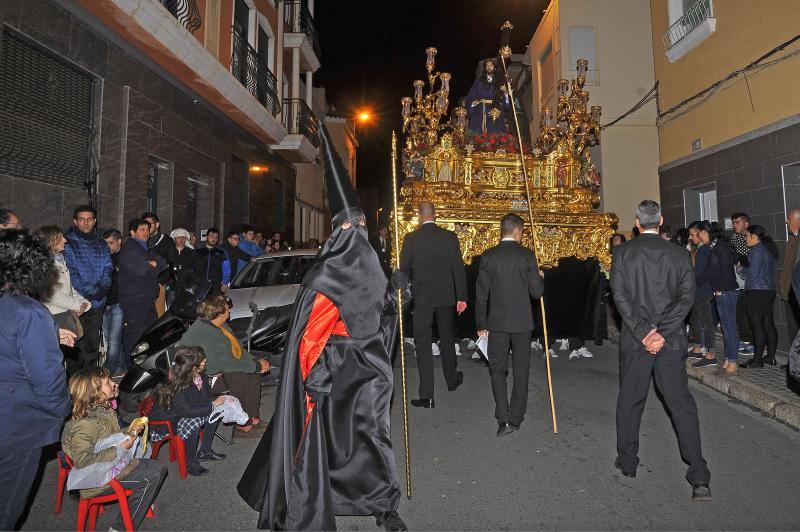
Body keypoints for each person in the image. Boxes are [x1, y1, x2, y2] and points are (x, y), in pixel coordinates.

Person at [238, 123, 407, 531]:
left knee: (371, 438)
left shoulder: (374, 265)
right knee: (324, 442)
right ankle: (313, 503)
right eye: (352, 227)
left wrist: (401, 294)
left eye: (362, 227)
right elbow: (309, 332)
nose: (359, 234)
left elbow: (381, 312)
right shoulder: (323, 275)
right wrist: (313, 377)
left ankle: (383, 503)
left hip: (371, 369)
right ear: (340, 231)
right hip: (332, 370)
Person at [611, 200, 711, 500]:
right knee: (680, 403)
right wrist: (663, 333)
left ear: (638, 223)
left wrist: (644, 333)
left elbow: (620, 296)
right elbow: (686, 297)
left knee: (630, 400)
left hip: (636, 340)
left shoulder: (624, 252)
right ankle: (699, 474)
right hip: (670, 341)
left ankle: (628, 461)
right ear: (661, 220)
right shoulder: (679, 253)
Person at [0, 229, 73, 530]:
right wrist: (62, 410)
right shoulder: (31, 312)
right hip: (17, 424)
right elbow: (48, 380)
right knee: (7, 509)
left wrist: (50, 335)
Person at [61, 367, 167, 530]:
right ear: (93, 392)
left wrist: (129, 431)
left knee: (158, 467)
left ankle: (139, 503)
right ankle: (119, 528)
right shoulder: (83, 425)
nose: (114, 383)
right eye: (107, 382)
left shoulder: (103, 408)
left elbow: (111, 436)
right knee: (151, 476)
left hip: (111, 465)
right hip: (96, 479)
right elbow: (83, 461)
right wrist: (121, 447)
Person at [476, 213, 544, 436]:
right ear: (517, 231)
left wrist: (481, 322)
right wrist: (540, 277)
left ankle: (503, 417)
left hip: (496, 322)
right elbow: (537, 292)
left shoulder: (488, 256)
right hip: (522, 322)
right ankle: (516, 417)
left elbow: (481, 294)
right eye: (522, 232)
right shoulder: (527, 256)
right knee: (521, 369)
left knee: (497, 369)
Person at [400, 200, 468, 408]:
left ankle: (427, 394)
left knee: (423, 343)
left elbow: (403, 270)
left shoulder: (411, 238)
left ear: (420, 216)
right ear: (435, 215)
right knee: (447, 338)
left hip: (422, 298)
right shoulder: (449, 237)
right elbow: (458, 267)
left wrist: (398, 293)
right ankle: (451, 379)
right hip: (446, 297)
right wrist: (462, 297)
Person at [178, 295, 270, 436]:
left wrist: (256, 363)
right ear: (218, 314)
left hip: (213, 370)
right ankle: (242, 423)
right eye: (227, 309)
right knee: (238, 377)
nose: (229, 309)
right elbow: (220, 365)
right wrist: (257, 366)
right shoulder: (209, 333)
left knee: (251, 373)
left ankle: (252, 417)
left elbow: (238, 349)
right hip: (198, 380)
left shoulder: (217, 324)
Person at [151, 346, 227, 476]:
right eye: (202, 360)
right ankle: (190, 463)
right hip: (167, 420)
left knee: (216, 410)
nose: (205, 361)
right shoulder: (178, 385)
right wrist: (212, 404)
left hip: (182, 411)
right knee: (194, 423)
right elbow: (188, 412)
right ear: (192, 367)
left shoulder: (199, 375)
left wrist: (220, 398)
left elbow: (204, 397)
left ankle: (204, 451)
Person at [63, 205, 113, 369]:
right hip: (76, 304)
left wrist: (103, 288)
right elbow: (71, 274)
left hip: (97, 303)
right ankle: (74, 389)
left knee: (91, 350)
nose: (86, 223)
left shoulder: (101, 243)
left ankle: (89, 390)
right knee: (75, 350)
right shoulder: (67, 242)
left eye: (89, 219)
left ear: (95, 221)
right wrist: (93, 292)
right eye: (82, 219)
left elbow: (108, 267)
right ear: (75, 221)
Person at [118, 218, 167, 360]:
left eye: (147, 229)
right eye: (142, 230)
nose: (146, 233)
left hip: (147, 299)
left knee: (147, 337)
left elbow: (164, 262)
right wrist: (152, 266)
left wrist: (153, 264)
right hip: (135, 302)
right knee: (134, 338)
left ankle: (143, 367)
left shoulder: (144, 249)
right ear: (132, 232)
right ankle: (131, 369)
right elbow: (144, 271)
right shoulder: (129, 250)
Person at [698, 221, 740, 375]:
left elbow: (727, 271)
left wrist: (720, 289)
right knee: (725, 328)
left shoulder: (721, 246)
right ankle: (728, 358)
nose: (700, 237)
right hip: (721, 291)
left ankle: (733, 360)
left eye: (701, 233)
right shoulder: (713, 247)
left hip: (727, 291)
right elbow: (710, 272)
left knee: (729, 328)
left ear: (708, 232)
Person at [37, 226, 91, 346]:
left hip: (64, 313)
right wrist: (77, 305)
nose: (65, 240)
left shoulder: (60, 261)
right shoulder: (45, 265)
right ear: (51, 241)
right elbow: (52, 295)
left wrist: (84, 302)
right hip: (54, 316)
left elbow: (69, 288)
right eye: (60, 238)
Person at [739, 225, 780, 368]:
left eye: (746, 236)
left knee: (757, 326)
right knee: (768, 324)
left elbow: (752, 272)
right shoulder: (765, 249)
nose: (745, 239)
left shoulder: (756, 250)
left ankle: (757, 361)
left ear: (753, 236)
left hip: (757, 291)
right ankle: (770, 358)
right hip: (767, 290)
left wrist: (740, 268)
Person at [688, 222, 717, 365]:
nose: (692, 237)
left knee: (706, 321)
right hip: (698, 290)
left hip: (702, 290)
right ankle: (698, 348)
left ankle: (711, 354)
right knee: (695, 319)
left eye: (694, 234)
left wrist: (695, 282)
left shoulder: (704, 249)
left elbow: (701, 272)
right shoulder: (700, 249)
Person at [142, 212, 178, 317]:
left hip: (158, 283)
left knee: (157, 315)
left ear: (157, 224)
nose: (147, 228)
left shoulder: (166, 241)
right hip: (141, 283)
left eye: (150, 224)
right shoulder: (141, 240)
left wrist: (161, 282)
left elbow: (173, 262)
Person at [465, 57, 510, 134]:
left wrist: (506, 93)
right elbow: (470, 96)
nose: (489, 67)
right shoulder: (479, 82)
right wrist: (472, 104)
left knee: (496, 135)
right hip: (481, 110)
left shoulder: (500, 81)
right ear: (485, 68)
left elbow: (506, 105)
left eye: (491, 65)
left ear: (495, 67)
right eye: (487, 66)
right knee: (478, 134)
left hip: (495, 111)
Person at [730, 212, 754, 356]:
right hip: (737, 282)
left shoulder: (750, 238)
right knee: (739, 314)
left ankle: (750, 342)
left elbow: (748, 260)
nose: (734, 225)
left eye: (737, 222)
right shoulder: (734, 238)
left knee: (747, 314)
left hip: (748, 283)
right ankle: (744, 340)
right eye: (733, 223)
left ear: (746, 223)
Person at [102, 229, 125, 374]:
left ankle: (107, 371)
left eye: (111, 243)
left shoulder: (125, 258)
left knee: (114, 340)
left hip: (118, 303)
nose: (108, 247)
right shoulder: (105, 257)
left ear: (119, 241)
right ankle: (119, 368)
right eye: (105, 244)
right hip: (105, 303)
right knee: (110, 339)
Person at [779, 209, 800, 361]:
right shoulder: (792, 238)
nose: (786, 221)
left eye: (789, 218)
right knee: (793, 330)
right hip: (789, 292)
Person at [194, 228, 230, 295]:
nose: (214, 239)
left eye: (216, 237)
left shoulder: (221, 252)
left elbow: (226, 269)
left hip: (216, 285)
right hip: (200, 285)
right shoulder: (197, 252)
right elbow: (192, 268)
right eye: (211, 236)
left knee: (215, 304)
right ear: (206, 237)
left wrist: (225, 283)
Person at [171, 228, 196, 294]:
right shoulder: (169, 252)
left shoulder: (192, 253)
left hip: (187, 286)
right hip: (171, 286)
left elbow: (196, 269)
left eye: (183, 238)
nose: (181, 240)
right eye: (179, 237)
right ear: (174, 238)